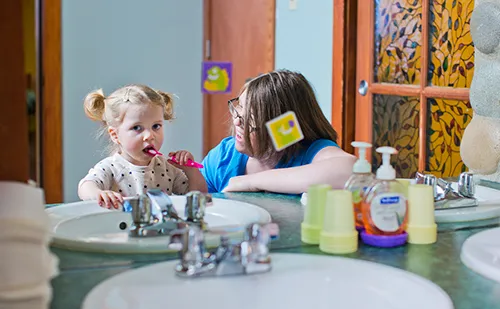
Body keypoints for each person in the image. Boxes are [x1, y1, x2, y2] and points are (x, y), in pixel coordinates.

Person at [201, 70, 355, 194]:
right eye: (239, 107)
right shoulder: (224, 156)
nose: (237, 121)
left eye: (252, 118)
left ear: (283, 127)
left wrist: (251, 182)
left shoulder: (309, 152)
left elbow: (351, 171)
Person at [78, 84, 207, 209]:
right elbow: (85, 187)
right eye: (137, 128)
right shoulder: (111, 168)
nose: (150, 135)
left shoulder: (167, 168)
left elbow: (198, 198)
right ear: (115, 135)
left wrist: (191, 171)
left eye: (156, 126)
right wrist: (98, 194)